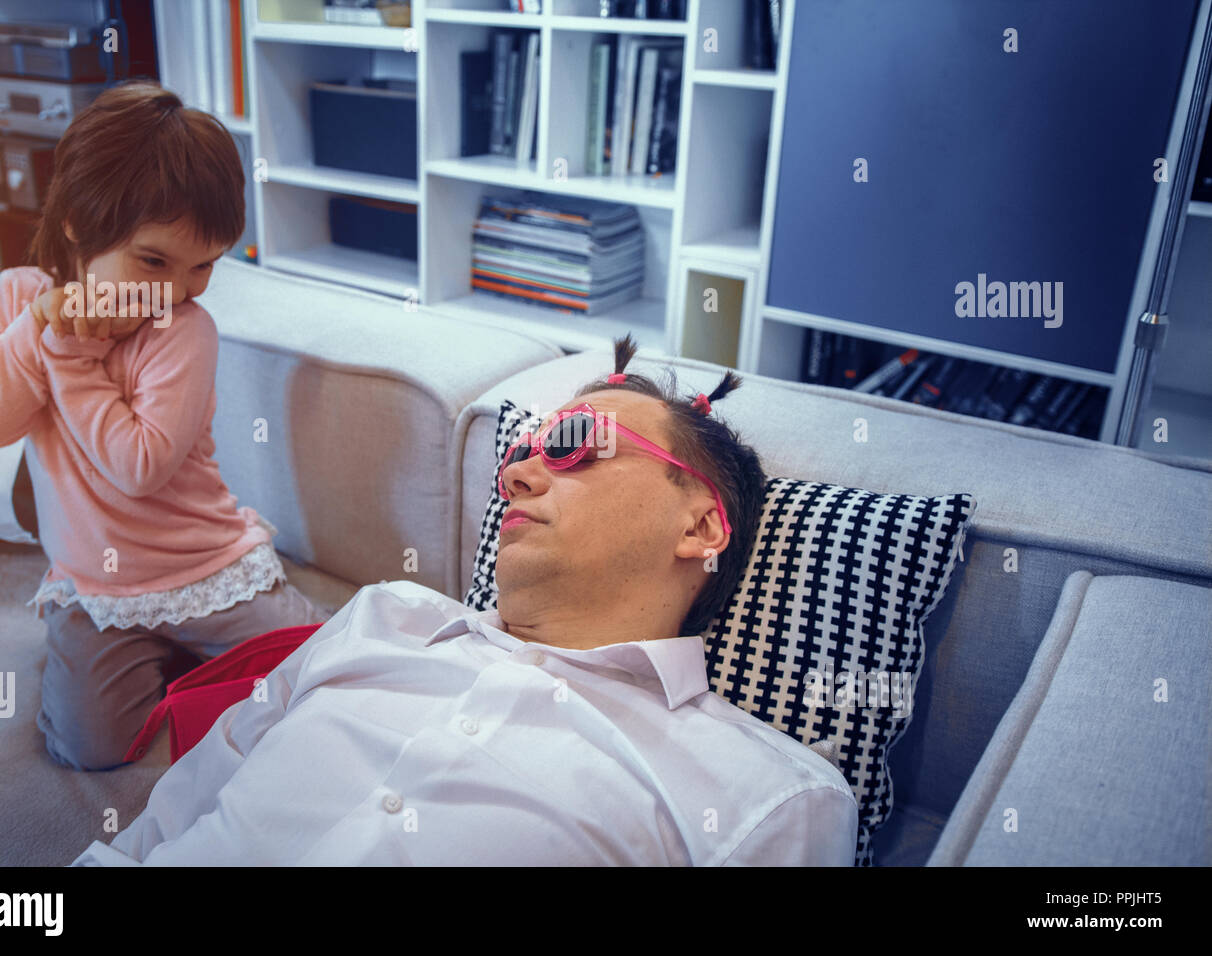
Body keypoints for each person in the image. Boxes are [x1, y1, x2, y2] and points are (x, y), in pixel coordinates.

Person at [71, 335, 858, 865]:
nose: (515, 474)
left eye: (575, 443)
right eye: (522, 452)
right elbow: (158, 828)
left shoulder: (768, 798)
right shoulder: (386, 617)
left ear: (699, 524)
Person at [0, 82, 327, 772]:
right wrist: (40, 334)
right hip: (97, 589)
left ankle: (195, 655)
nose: (176, 288)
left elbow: (140, 466)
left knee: (325, 671)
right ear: (75, 224)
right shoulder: (19, 301)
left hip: (204, 567)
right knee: (88, 750)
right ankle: (164, 660)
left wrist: (73, 359)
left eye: (203, 265)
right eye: (154, 261)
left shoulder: (183, 330)